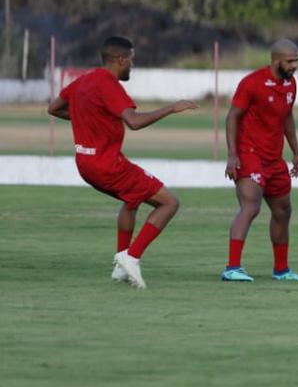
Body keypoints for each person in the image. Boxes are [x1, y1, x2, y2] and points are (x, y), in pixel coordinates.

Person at [47, 36, 198, 289]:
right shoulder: (109, 86)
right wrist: (172, 108)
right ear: (120, 59)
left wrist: (88, 119)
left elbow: (54, 108)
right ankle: (131, 256)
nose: (132, 66)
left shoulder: (83, 81)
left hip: (85, 162)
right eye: (131, 60)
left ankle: (120, 267)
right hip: (107, 165)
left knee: (132, 199)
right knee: (170, 203)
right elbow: (134, 121)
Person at [221, 39, 298, 282]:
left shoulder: (290, 84)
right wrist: (232, 154)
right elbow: (232, 117)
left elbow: (287, 117)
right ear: (275, 60)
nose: (294, 66)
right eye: (290, 61)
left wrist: (296, 151)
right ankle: (232, 268)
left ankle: (281, 270)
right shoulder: (252, 83)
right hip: (249, 155)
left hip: (274, 158)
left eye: (296, 61)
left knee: (283, 211)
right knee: (251, 206)